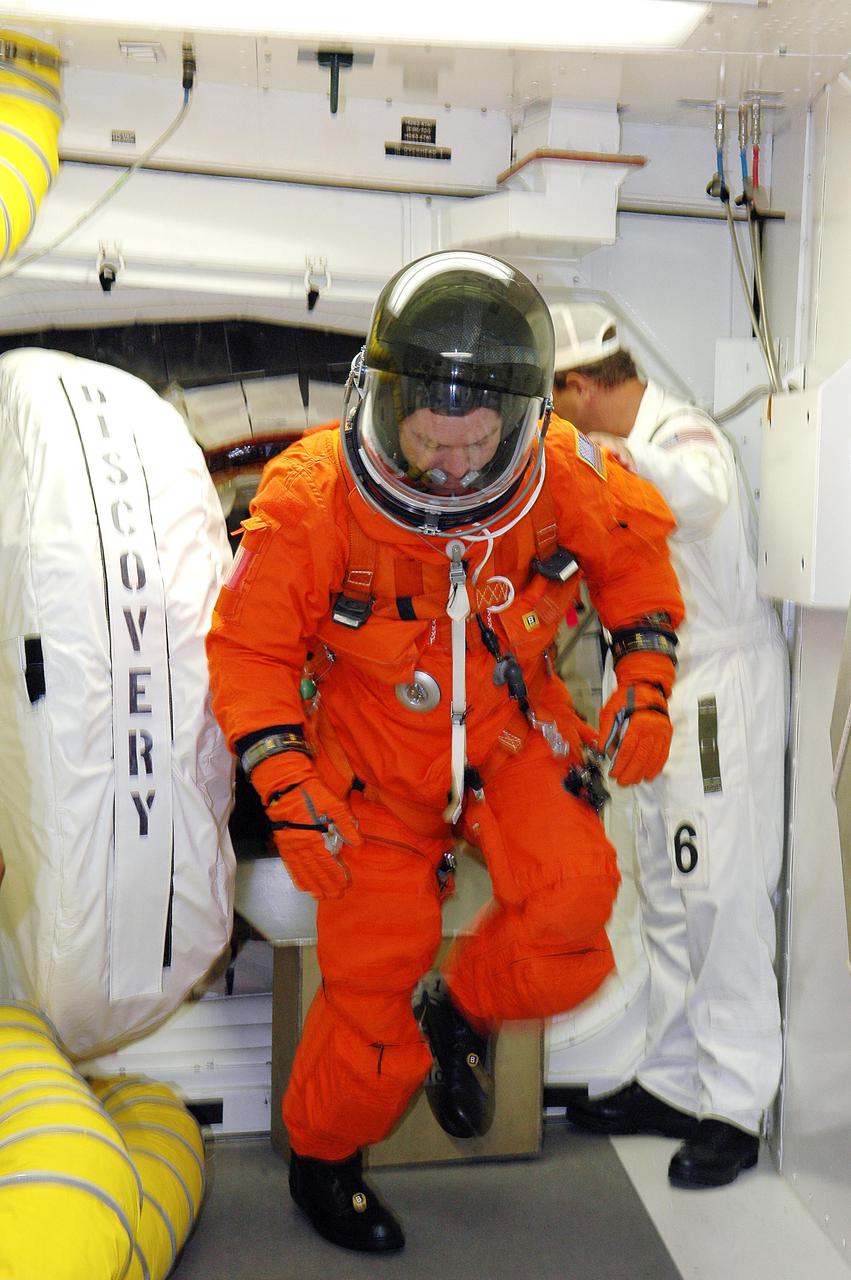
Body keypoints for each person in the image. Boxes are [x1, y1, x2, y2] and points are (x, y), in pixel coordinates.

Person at [206, 253, 684, 1253]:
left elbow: (632, 562)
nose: (455, 468)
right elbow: (247, 648)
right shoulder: (313, 496)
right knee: (369, 999)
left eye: (477, 446)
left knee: (571, 904)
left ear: (516, 422)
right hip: (373, 764)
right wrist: (286, 783)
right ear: (388, 401)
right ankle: (322, 1159)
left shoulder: (563, 472)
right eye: (431, 439)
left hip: (507, 730)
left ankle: (460, 1012)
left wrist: (643, 677)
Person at [549, 300, 788, 1189]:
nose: (559, 416)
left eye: (557, 401)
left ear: (579, 386)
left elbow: (699, 493)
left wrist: (597, 455)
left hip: (717, 695)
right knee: (664, 886)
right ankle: (673, 1079)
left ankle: (732, 1105)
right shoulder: (617, 452)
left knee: (720, 894)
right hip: (652, 689)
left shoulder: (681, 433)